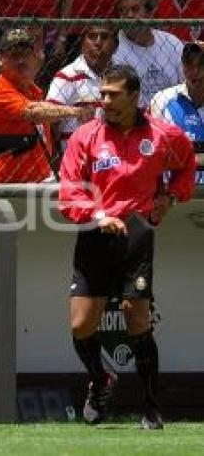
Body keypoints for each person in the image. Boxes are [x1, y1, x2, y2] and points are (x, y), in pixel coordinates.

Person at [58, 64, 196, 430]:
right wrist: (97, 214)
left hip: (136, 234)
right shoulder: (85, 136)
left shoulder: (163, 134)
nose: (105, 101)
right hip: (94, 233)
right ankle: (100, 380)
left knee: (137, 319)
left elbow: (187, 166)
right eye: (102, 94)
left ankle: (151, 407)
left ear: (134, 96)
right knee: (81, 324)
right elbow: (69, 189)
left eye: (113, 94)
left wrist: (171, 195)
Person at [0, 28, 91, 183]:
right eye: (14, 55)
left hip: (38, 181)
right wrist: (76, 111)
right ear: (0, 58)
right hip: (7, 185)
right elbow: (34, 112)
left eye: (26, 54)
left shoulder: (32, 89)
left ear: (34, 57)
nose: (21, 60)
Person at [46, 25, 118, 146]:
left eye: (104, 37)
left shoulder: (121, 75)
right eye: (92, 37)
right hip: (78, 155)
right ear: (83, 44)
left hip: (114, 152)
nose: (98, 42)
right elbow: (48, 114)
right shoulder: (67, 76)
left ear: (115, 46)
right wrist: (76, 111)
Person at [113, 0, 184, 107]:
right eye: (123, 11)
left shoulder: (171, 42)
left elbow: (186, 83)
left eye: (135, 9)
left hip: (175, 112)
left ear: (149, 13)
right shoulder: (115, 48)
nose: (129, 16)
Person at [150, 42, 204, 181]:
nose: (195, 72)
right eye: (189, 64)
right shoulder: (162, 99)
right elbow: (150, 148)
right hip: (175, 190)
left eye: (202, 65)